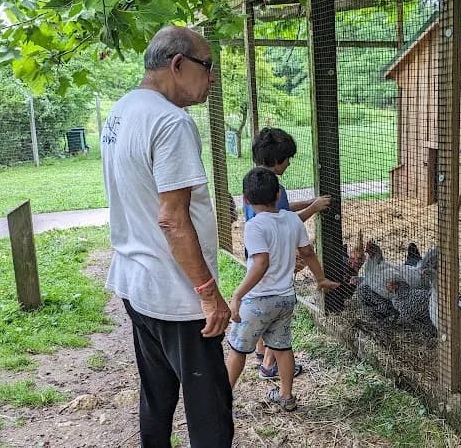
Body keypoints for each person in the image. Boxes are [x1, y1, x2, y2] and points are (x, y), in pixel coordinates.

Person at [100, 26, 233, 447]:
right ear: (178, 65)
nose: (212, 78)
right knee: (210, 411)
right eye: (208, 67)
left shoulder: (122, 111)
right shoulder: (171, 122)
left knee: (156, 396)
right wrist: (209, 293)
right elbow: (172, 219)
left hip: (136, 284)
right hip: (177, 298)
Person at [227, 167, 339, 411]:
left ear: (245, 200)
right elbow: (307, 253)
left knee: (238, 349)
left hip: (257, 300)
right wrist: (320, 279)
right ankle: (287, 397)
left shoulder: (254, 226)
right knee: (282, 347)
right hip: (286, 298)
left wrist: (237, 295)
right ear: (278, 194)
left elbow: (260, 262)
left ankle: (222, 400)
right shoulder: (291, 219)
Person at [243, 127, 331, 379]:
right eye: (287, 158)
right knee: (276, 312)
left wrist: (306, 201)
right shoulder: (274, 186)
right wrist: (313, 208)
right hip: (276, 257)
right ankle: (270, 365)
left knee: (260, 301)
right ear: (275, 160)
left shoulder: (254, 182)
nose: (289, 163)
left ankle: (260, 351)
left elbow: (280, 210)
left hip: (257, 253)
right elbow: (288, 220)